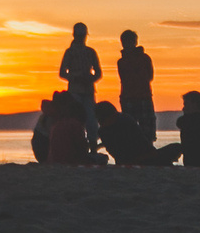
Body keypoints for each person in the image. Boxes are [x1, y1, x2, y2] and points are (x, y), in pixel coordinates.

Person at [94, 99, 182, 167]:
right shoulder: (106, 130)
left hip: (144, 156)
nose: (100, 122)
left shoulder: (124, 121)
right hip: (139, 159)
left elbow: (140, 144)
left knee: (176, 147)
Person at [58, 22, 102, 151]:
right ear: (74, 35)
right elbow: (62, 73)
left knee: (91, 120)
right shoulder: (69, 52)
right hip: (74, 91)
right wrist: (75, 77)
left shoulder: (90, 52)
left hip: (88, 91)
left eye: (83, 36)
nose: (81, 38)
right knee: (75, 120)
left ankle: (92, 147)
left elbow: (98, 72)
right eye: (79, 35)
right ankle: (76, 148)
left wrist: (90, 79)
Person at [30, 93, 94, 165]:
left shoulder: (49, 117)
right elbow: (80, 144)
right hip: (47, 152)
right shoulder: (60, 120)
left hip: (45, 153)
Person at [116, 28, 155, 144]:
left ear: (135, 42)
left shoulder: (145, 58)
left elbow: (150, 76)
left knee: (147, 128)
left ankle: (148, 148)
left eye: (130, 41)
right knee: (129, 129)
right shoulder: (121, 62)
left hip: (143, 96)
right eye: (125, 42)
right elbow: (123, 78)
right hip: (128, 97)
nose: (127, 44)